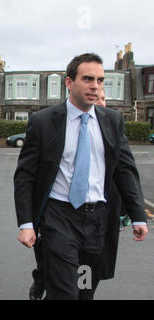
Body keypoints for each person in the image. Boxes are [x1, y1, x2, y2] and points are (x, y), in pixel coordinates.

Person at [14, 53, 148, 300]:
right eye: (87, 79)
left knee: (84, 290)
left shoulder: (112, 121)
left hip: (98, 221)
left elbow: (125, 170)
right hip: (59, 218)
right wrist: (26, 223)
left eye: (100, 80)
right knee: (64, 292)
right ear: (69, 83)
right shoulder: (44, 122)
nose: (95, 86)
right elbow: (25, 176)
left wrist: (138, 215)